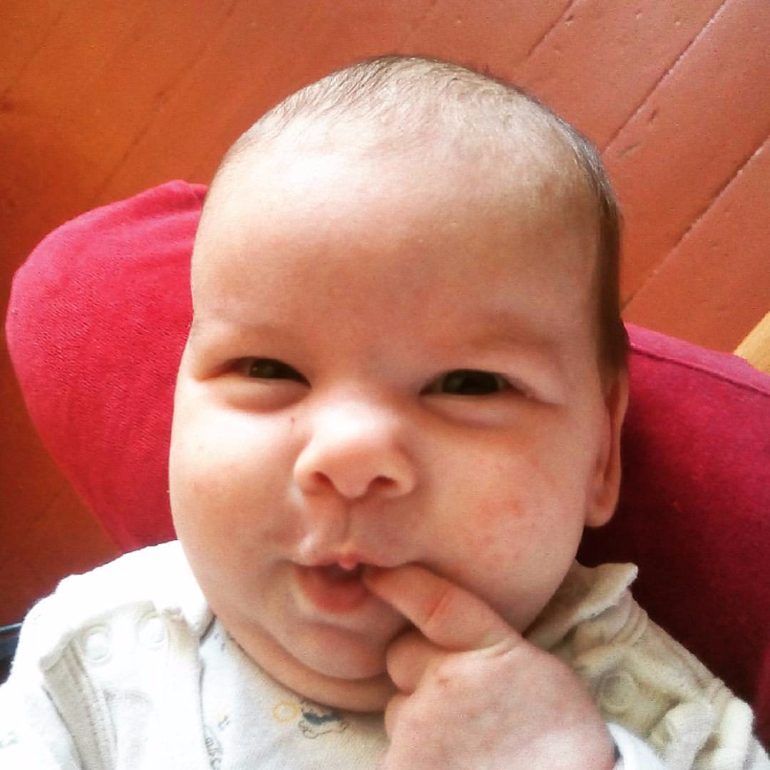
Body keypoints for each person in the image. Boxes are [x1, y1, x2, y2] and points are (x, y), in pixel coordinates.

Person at [0, 55, 767, 769]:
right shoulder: (89, 661)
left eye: (469, 384)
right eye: (268, 370)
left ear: (599, 454)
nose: (349, 453)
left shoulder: (660, 716)